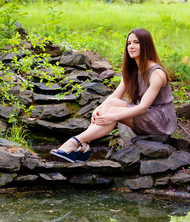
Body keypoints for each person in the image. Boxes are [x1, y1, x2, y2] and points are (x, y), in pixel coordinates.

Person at [50, 28, 177, 163]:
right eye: (129, 43)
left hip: (159, 119)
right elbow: (115, 96)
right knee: (110, 104)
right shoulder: (131, 70)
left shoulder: (157, 73)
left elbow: (143, 107)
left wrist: (112, 117)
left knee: (113, 110)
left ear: (146, 45)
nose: (131, 47)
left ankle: (75, 142)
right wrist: (98, 109)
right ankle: (83, 144)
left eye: (136, 43)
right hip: (144, 115)